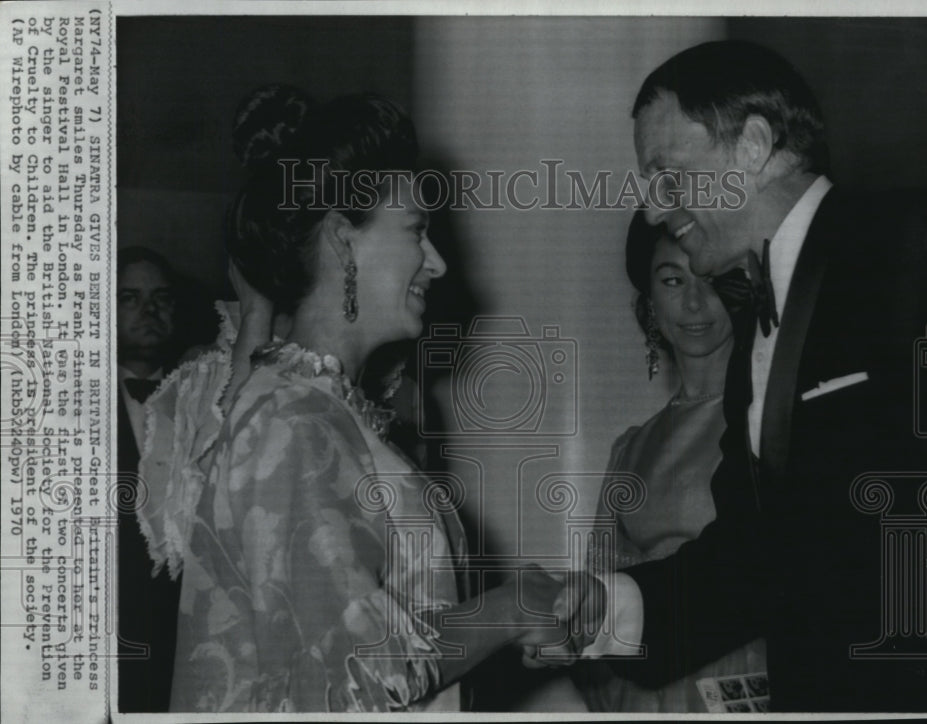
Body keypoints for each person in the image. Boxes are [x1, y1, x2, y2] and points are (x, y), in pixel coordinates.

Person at [141, 85, 595, 713]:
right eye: (416, 231)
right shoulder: (291, 418)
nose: (435, 262)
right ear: (343, 239)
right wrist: (511, 608)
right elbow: (358, 679)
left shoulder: (328, 411)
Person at [596, 40, 927, 711]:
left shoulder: (913, 242)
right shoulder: (761, 323)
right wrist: (597, 610)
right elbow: (753, 556)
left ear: (751, 146)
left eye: (667, 176)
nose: (656, 210)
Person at [572, 212, 766, 712]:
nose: (695, 303)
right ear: (650, 305)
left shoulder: (765, 420)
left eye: (710, 280)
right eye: (673, 281)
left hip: (744, 684)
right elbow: (599, 585)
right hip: (641, 693)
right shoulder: (631, 447)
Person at [115, 246, 183, 712]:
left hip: (182, 633)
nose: (149, 311)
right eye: (129, 298)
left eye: (161, 298)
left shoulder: (202, 396)